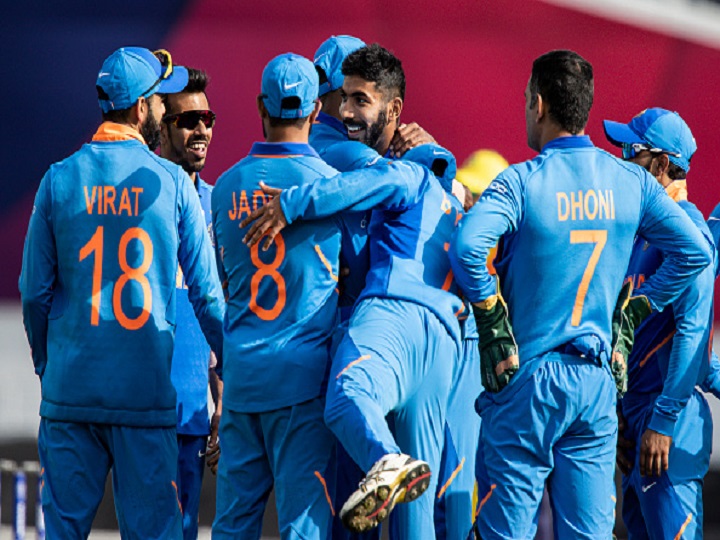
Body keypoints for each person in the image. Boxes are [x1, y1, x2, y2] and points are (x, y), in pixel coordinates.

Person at [448, 50, 712, 539]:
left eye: (526, 99)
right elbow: (694, 253)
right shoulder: (630, 182)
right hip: (595, 387)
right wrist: (635, 312)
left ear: (539, 104)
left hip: (526, 382)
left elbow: (467, 248)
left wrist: (491, 319)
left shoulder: (521, 181)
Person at [19, 47, 225, 539]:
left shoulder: (57, 179)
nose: (163, 107)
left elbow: (33, 293)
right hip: (144, 397)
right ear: (141, 108)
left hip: (70, 393)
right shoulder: (174, 183)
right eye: (160, 99)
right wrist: (236, 377)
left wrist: (48, 364)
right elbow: (208, 297)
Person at [210, 53, 342, 539]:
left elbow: (222, 283)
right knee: (303, 528)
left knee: (232, 526)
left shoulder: (225, 187)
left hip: (243, 376)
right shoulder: (332, 186)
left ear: (260, 107)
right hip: (302, 381)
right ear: (316, 111)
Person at [604, 108, 715, 539]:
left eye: (631, 152)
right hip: (637, 428)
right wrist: (621, 418)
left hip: (666, 430)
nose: (621, 163)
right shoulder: (640, 235)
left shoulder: (688, 232)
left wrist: (662, 422)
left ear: (661, 165)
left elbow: (693, 333)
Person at [159, 66, 222, 540]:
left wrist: (224, 403)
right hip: (139, 409)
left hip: (192, 413)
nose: (201, 129)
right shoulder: (139, 200)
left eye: (207, 118)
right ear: (161, 128)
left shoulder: (218, 205)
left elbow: (222, 311)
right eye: (187, 120)